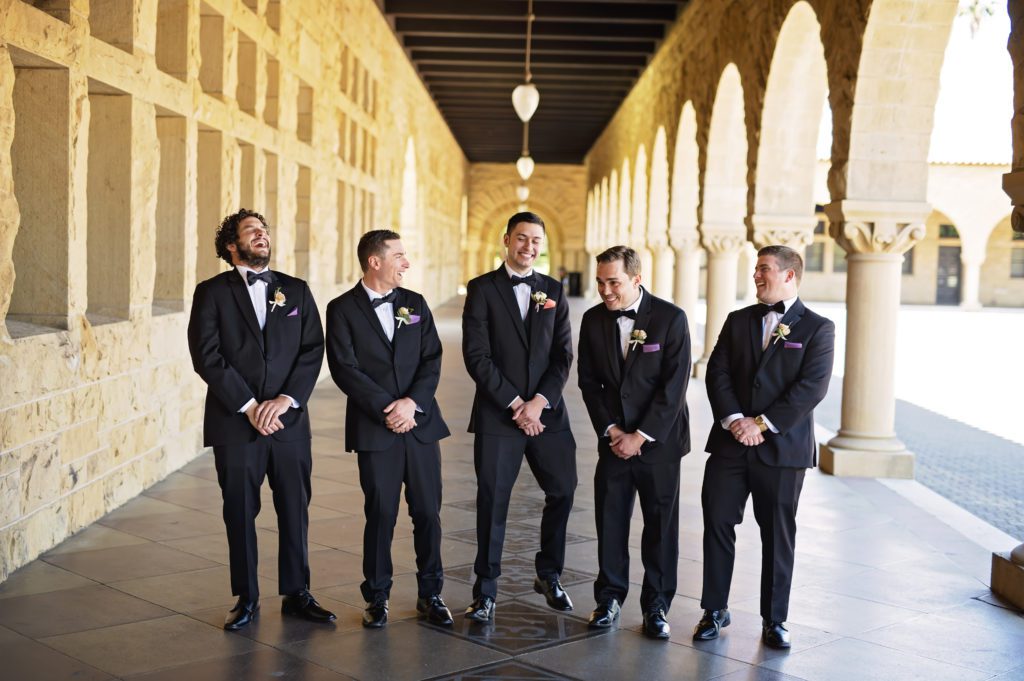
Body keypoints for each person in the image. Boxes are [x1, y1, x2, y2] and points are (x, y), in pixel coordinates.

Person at [187, 209, 335, 631]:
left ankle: (297, 592)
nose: (262, 235)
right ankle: (246, 597)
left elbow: (312, 350)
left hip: (288, 422)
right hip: (235, 422)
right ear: (232, 245)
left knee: (294, 507)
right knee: (239, 509)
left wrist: (286, 400)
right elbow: (207, 356)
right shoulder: (210, 293)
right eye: (252, 231)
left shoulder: (296, 290)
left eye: (264, 230)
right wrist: (250, 406)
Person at [693, 245, 834, 649]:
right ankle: (714, 609)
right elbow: (716, 372)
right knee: (718, 525)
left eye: (765, 269)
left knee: (777, 535)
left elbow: (811, 388)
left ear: (790, 275)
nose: (756, 276)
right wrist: (735, 420)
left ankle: (775, 619)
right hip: (729, 446)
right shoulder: (738, 321)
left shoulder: (819, 328)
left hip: (782, 450)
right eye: (755, 269)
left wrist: (761, 424)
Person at [325, 229, 453, 629]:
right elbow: (345, 368)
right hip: (375, 427)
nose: (406, 262)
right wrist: (388, 408)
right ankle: (377, 597)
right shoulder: (341, 309)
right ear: (374, 261)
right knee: (380, 513)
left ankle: (431, 594)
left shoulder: (415, 303)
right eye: (399, 255)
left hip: (419, 426)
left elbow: (432, 357)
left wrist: (412, 404)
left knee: (428, 513)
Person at [462, 211, 577, 621]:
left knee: (563, 489)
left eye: (536, 241)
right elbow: (477, 356)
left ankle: (549, 573)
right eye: (522, 238)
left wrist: (539, 402)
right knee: (493, 500)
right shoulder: (482, 289)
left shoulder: (553, 290)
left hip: (547, 415)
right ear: (506, 239)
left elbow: (563, 354)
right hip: (499, 415)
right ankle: (486, 589)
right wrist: (515, 404)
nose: (529, 247)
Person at [577, 246, 691, 640]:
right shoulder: (592, 320)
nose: (606, 290)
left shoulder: (671, 318)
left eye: (614, 282)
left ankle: (657, 607)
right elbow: (589, 382)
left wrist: (639, 436)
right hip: (613, 441)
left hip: (659, 444)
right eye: (601, 282)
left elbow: (673, 388)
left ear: (636, 279)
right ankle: (608, 599)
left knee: (661, 526)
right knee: (610, 521)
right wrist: (612, 431)